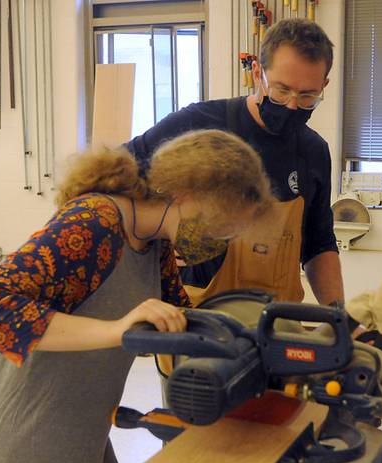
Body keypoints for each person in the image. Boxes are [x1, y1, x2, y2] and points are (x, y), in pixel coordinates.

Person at [0, 130, 272, 463]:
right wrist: (116, 330)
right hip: (19, 460)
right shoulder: (95, 222)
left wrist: (260, 344)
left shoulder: (154, 243)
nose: (220, 237)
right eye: (221, 222)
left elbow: (182, 325)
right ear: (185, 193)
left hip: (81, 449)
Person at [126, 18, 343, 307]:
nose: (292, 105)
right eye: (281, 90)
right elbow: (115, 172)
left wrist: (340, 318)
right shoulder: (198, 123)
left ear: (323, 85)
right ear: (257, 73)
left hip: (275, 320)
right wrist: (159, 236)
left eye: (307, 96)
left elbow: (319, 245)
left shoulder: (313, 151)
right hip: (198, 321)